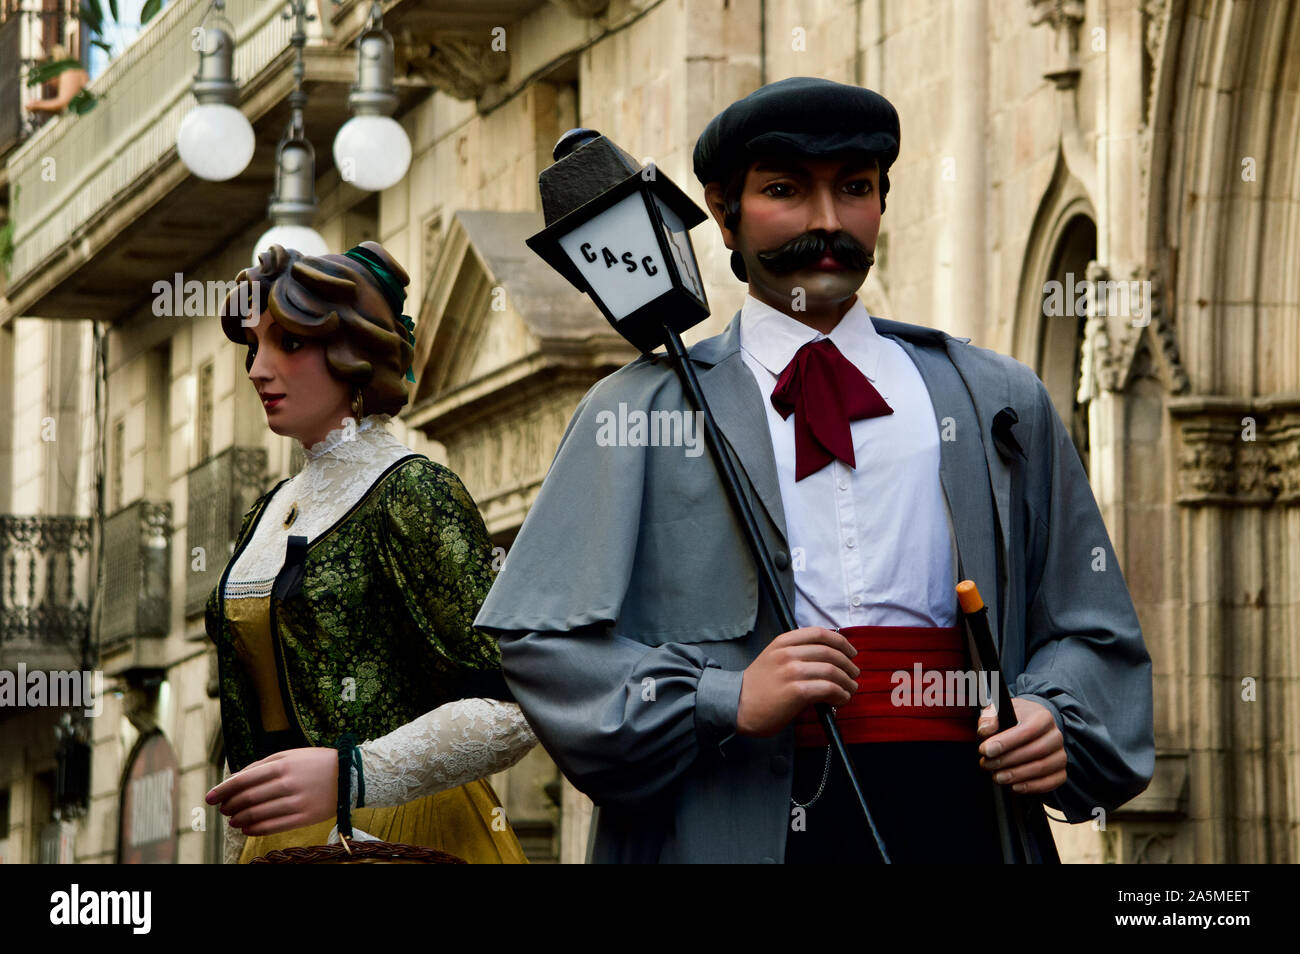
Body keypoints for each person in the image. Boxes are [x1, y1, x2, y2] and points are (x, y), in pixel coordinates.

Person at [474, 76, 1154, 862]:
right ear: (722, 213)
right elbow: (539, 641)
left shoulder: (997, 399)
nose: (828, 221)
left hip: (963, 815)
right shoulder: (636, 411)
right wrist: (721, 698)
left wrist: (1055, 715)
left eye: (855, 189)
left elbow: (1091, 625)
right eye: (786, 191)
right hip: (733, 819)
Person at [204, 241, 536, 864]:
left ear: (355, 353)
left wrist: (352, 775)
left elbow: (514, 702)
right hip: (277, 845)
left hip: (407, 834)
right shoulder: (268, 511)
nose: (257, 369)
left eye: (288, 343)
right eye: (254, 347)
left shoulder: (413, 491)